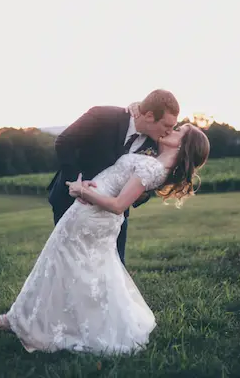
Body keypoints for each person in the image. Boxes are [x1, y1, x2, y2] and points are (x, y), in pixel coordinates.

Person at [0, 123, 211, 355]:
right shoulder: (156, 160)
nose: (170, 130)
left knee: (63, 265)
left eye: (177, 131)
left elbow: (119, 205)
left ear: (182, 144)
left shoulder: (154, 167)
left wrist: (83, 191)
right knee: (72, 268)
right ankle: (26, 317)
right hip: (91, 216)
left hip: (92, 216)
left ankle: (28, 321)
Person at [46, 89, 180, 266]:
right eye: (166, 125)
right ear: (148, 116)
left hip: (114, 215)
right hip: (71, 201)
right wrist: (76, 181)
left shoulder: (157, 145)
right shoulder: (103, 116)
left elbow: (148, 182)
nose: (169, 132)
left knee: (114, 267)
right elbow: (64, 142)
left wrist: (141, 195)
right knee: (68, 263)